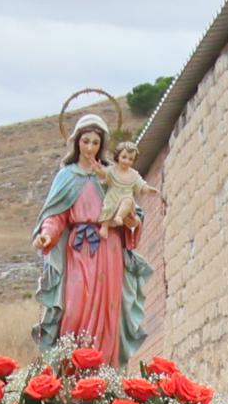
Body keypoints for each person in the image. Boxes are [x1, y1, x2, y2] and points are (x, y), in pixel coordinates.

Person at [31, 115, 145, 367]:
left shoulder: (112, 174)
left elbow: (131, 209)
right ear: (77, 142)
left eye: (95, 142)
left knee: (109, 310)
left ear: (102, 144)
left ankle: (104, 372)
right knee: (73, 308)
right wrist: (47, 234)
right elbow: (55, 215)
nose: (90, 147)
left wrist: (131, 220)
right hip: (78, 249)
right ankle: (71, 373)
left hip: (109, 247)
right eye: (86, 141)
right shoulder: (66, 176)